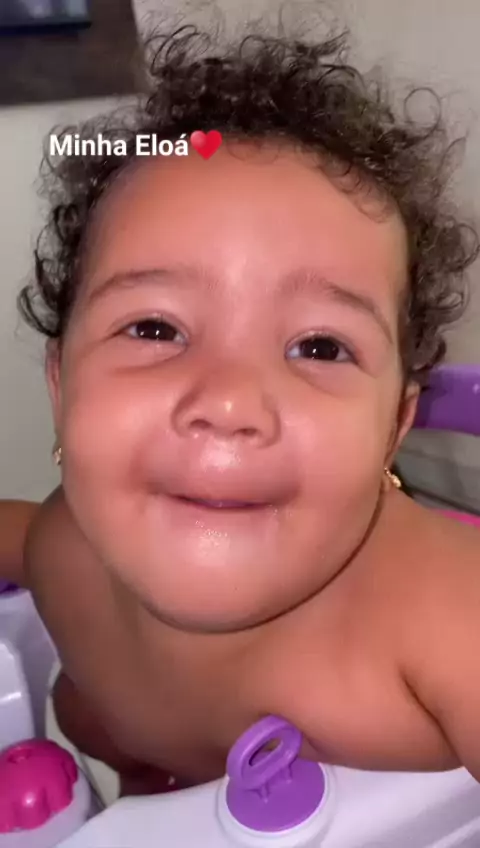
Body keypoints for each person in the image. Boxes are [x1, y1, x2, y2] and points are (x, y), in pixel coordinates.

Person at [4, 23, 480, 797]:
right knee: (83, 711)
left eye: (319, 346)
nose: (228, 401)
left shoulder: (448, 619)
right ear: (62, 387)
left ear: (393, 428)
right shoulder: (59, 552)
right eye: (154, 328)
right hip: (155, 779)